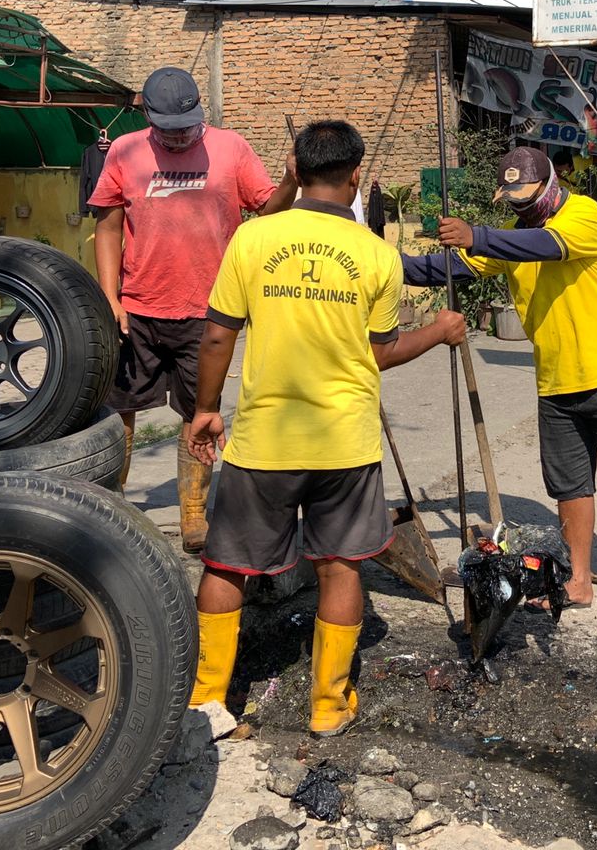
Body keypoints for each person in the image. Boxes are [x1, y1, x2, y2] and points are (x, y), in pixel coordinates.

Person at [185, 121, 465, 733]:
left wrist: (206, 408)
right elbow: (381, 353)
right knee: (340, 567)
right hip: (344, 445)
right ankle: (328, 707)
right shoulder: (377, 255)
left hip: (264, 442)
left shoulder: (253, 238)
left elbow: (216, 334)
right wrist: (440, 331)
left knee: (227, 566)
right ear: (357, 175)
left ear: (294, 167)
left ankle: (207, 703)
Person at [402, 147, 597, 648]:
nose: (523, 211)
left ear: (550, 185)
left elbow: (545, 246)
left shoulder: (583, 216)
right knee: (570, 487)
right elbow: (448, 270)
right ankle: (579, 579)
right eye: (515, 204)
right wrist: (381, 263)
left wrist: (478, 235)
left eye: (529, 200)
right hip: (555, 380)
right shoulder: (512, 233)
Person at [88, 67, 296, 551]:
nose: (179, 135)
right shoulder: (125, 150)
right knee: (119, 410)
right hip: (137, 308)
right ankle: (113, 503)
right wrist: (108, 297)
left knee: (198, 410)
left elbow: (266, 213)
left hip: (208, 311)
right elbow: (108, 228)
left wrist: (288, 181)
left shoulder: (232, 148)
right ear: (148, 116)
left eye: (186, 125)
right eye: (167, 127)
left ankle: (194, 512)